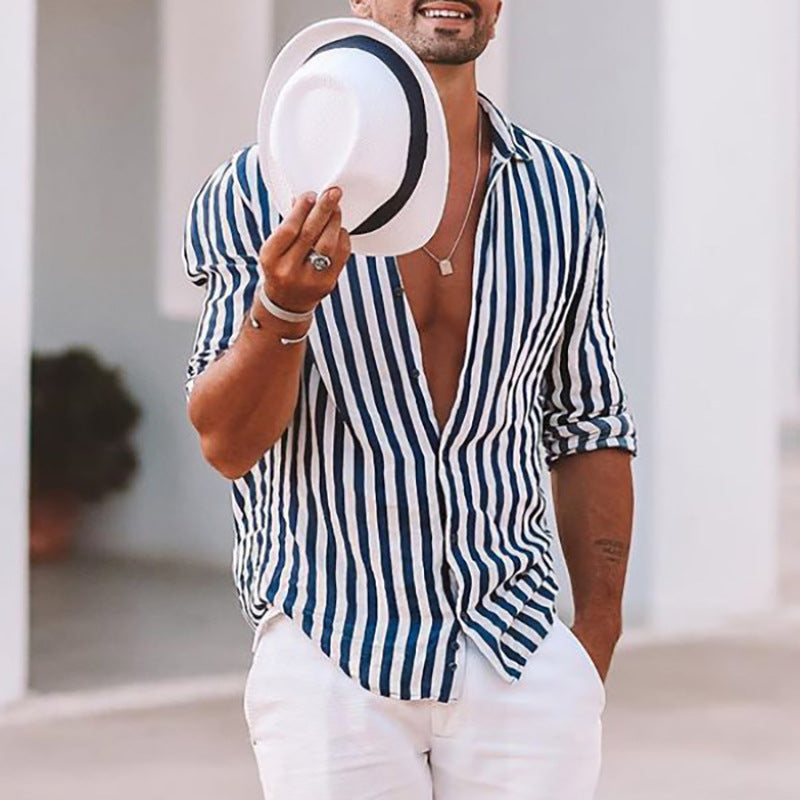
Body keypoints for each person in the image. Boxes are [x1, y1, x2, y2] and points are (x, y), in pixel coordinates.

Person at [183, 1, 638, 798]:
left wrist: (594, 637)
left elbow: (588, 420)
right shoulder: (259, 190)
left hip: (516, 642)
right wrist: (284, 309)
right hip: (334, 648)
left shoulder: (561, 193)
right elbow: (226, 444)